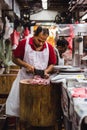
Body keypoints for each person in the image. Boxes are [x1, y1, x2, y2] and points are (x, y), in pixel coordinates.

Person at [6, 26, 56, 117]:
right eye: (39, 40)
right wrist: (26, 65)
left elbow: (52, 64)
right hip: (24, 80)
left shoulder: (49, 47)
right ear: (34, 35)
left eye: (43, 41)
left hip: (41, 83)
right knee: (21, 107)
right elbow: (14, 58)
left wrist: (46, 71)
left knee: (38, 108)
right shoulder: (24, 43)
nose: (41, 43)